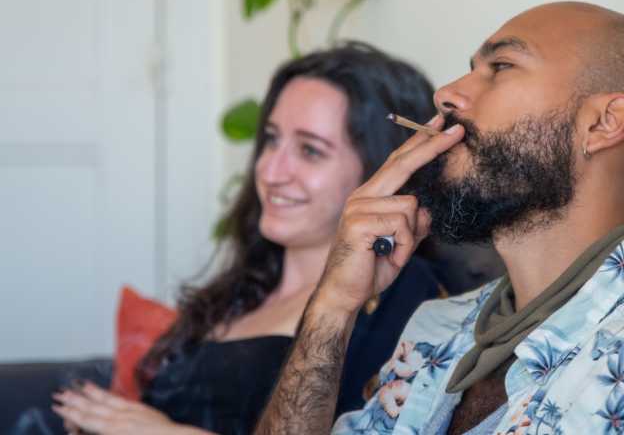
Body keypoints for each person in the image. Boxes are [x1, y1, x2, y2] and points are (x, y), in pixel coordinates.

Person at [255, 1, 624, 435]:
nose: (447, 94)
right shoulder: (439, 325)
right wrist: (334, 307)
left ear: (603, 124)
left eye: (501, 67)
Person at [50, 42, 443, 435]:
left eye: (310, 150)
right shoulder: (247, 286)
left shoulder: (399, 296)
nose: (270, 171)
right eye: (271, 140)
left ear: (383, 169)